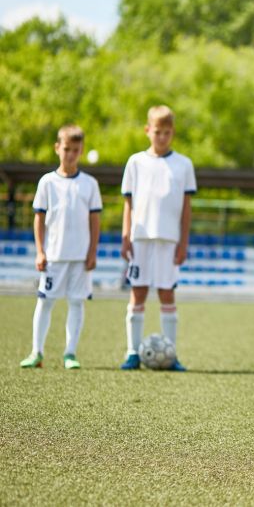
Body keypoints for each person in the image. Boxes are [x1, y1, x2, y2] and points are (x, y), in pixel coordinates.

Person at [119, 105, 196, 371]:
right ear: (147, 130)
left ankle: (171, 354)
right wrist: (125, 234)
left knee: (166, 294)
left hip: (169, 240)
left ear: (172, 133)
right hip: (140, 238)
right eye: (157, 131)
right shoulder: (135, 162)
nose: (161, 137)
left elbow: (186, 207)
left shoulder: (184, 164)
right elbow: (128, 202)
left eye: (166, 132)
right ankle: (132, 352)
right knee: (137, 292)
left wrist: (183, 242)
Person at [19, 125, 102, 370]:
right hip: (53, 255)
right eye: (66, 149)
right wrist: (40, 251)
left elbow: (95, 220)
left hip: (80, 257)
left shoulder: (89, 184)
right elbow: (39, 218)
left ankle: (70, 353)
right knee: (45, 302)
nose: (70, 154)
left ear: (81, 151)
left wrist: (92, 252)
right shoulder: (47, 182)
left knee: (76, 302)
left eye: (76, 150)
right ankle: (37, 352)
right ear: (58, 148)